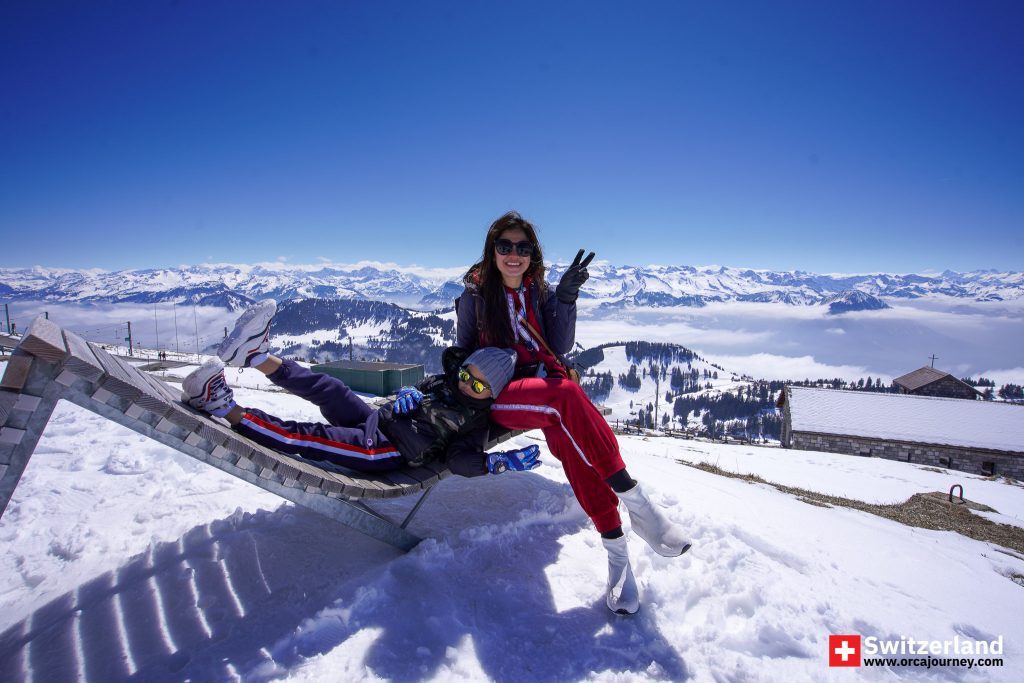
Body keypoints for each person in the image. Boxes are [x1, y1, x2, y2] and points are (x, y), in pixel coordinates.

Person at [456, 210, 691, 615]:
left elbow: (558, 347)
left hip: (544, 391)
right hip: (498, 398)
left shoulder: (537, 293)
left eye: (523, 247)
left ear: (533, 254)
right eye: (505, 246)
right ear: (492, 252)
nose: (514, 254)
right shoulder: (475, 298)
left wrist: (564, 298)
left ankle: (618, 555)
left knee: (573, 445)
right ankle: (638, 504)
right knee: (564, 396)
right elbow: (461, 357)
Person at [182, 300, 541, 477]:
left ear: (491, 394)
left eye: (477, 384)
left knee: (310, 436)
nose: (466, 383)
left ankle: (220, 407)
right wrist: (408, 393)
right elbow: (419, 387)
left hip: (384, 451)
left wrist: (492, 464)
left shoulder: (475, 420)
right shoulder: (446, 381)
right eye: (466, 373)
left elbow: (458, 458)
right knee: (332, 389)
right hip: (376, 422)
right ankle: (256, 356)